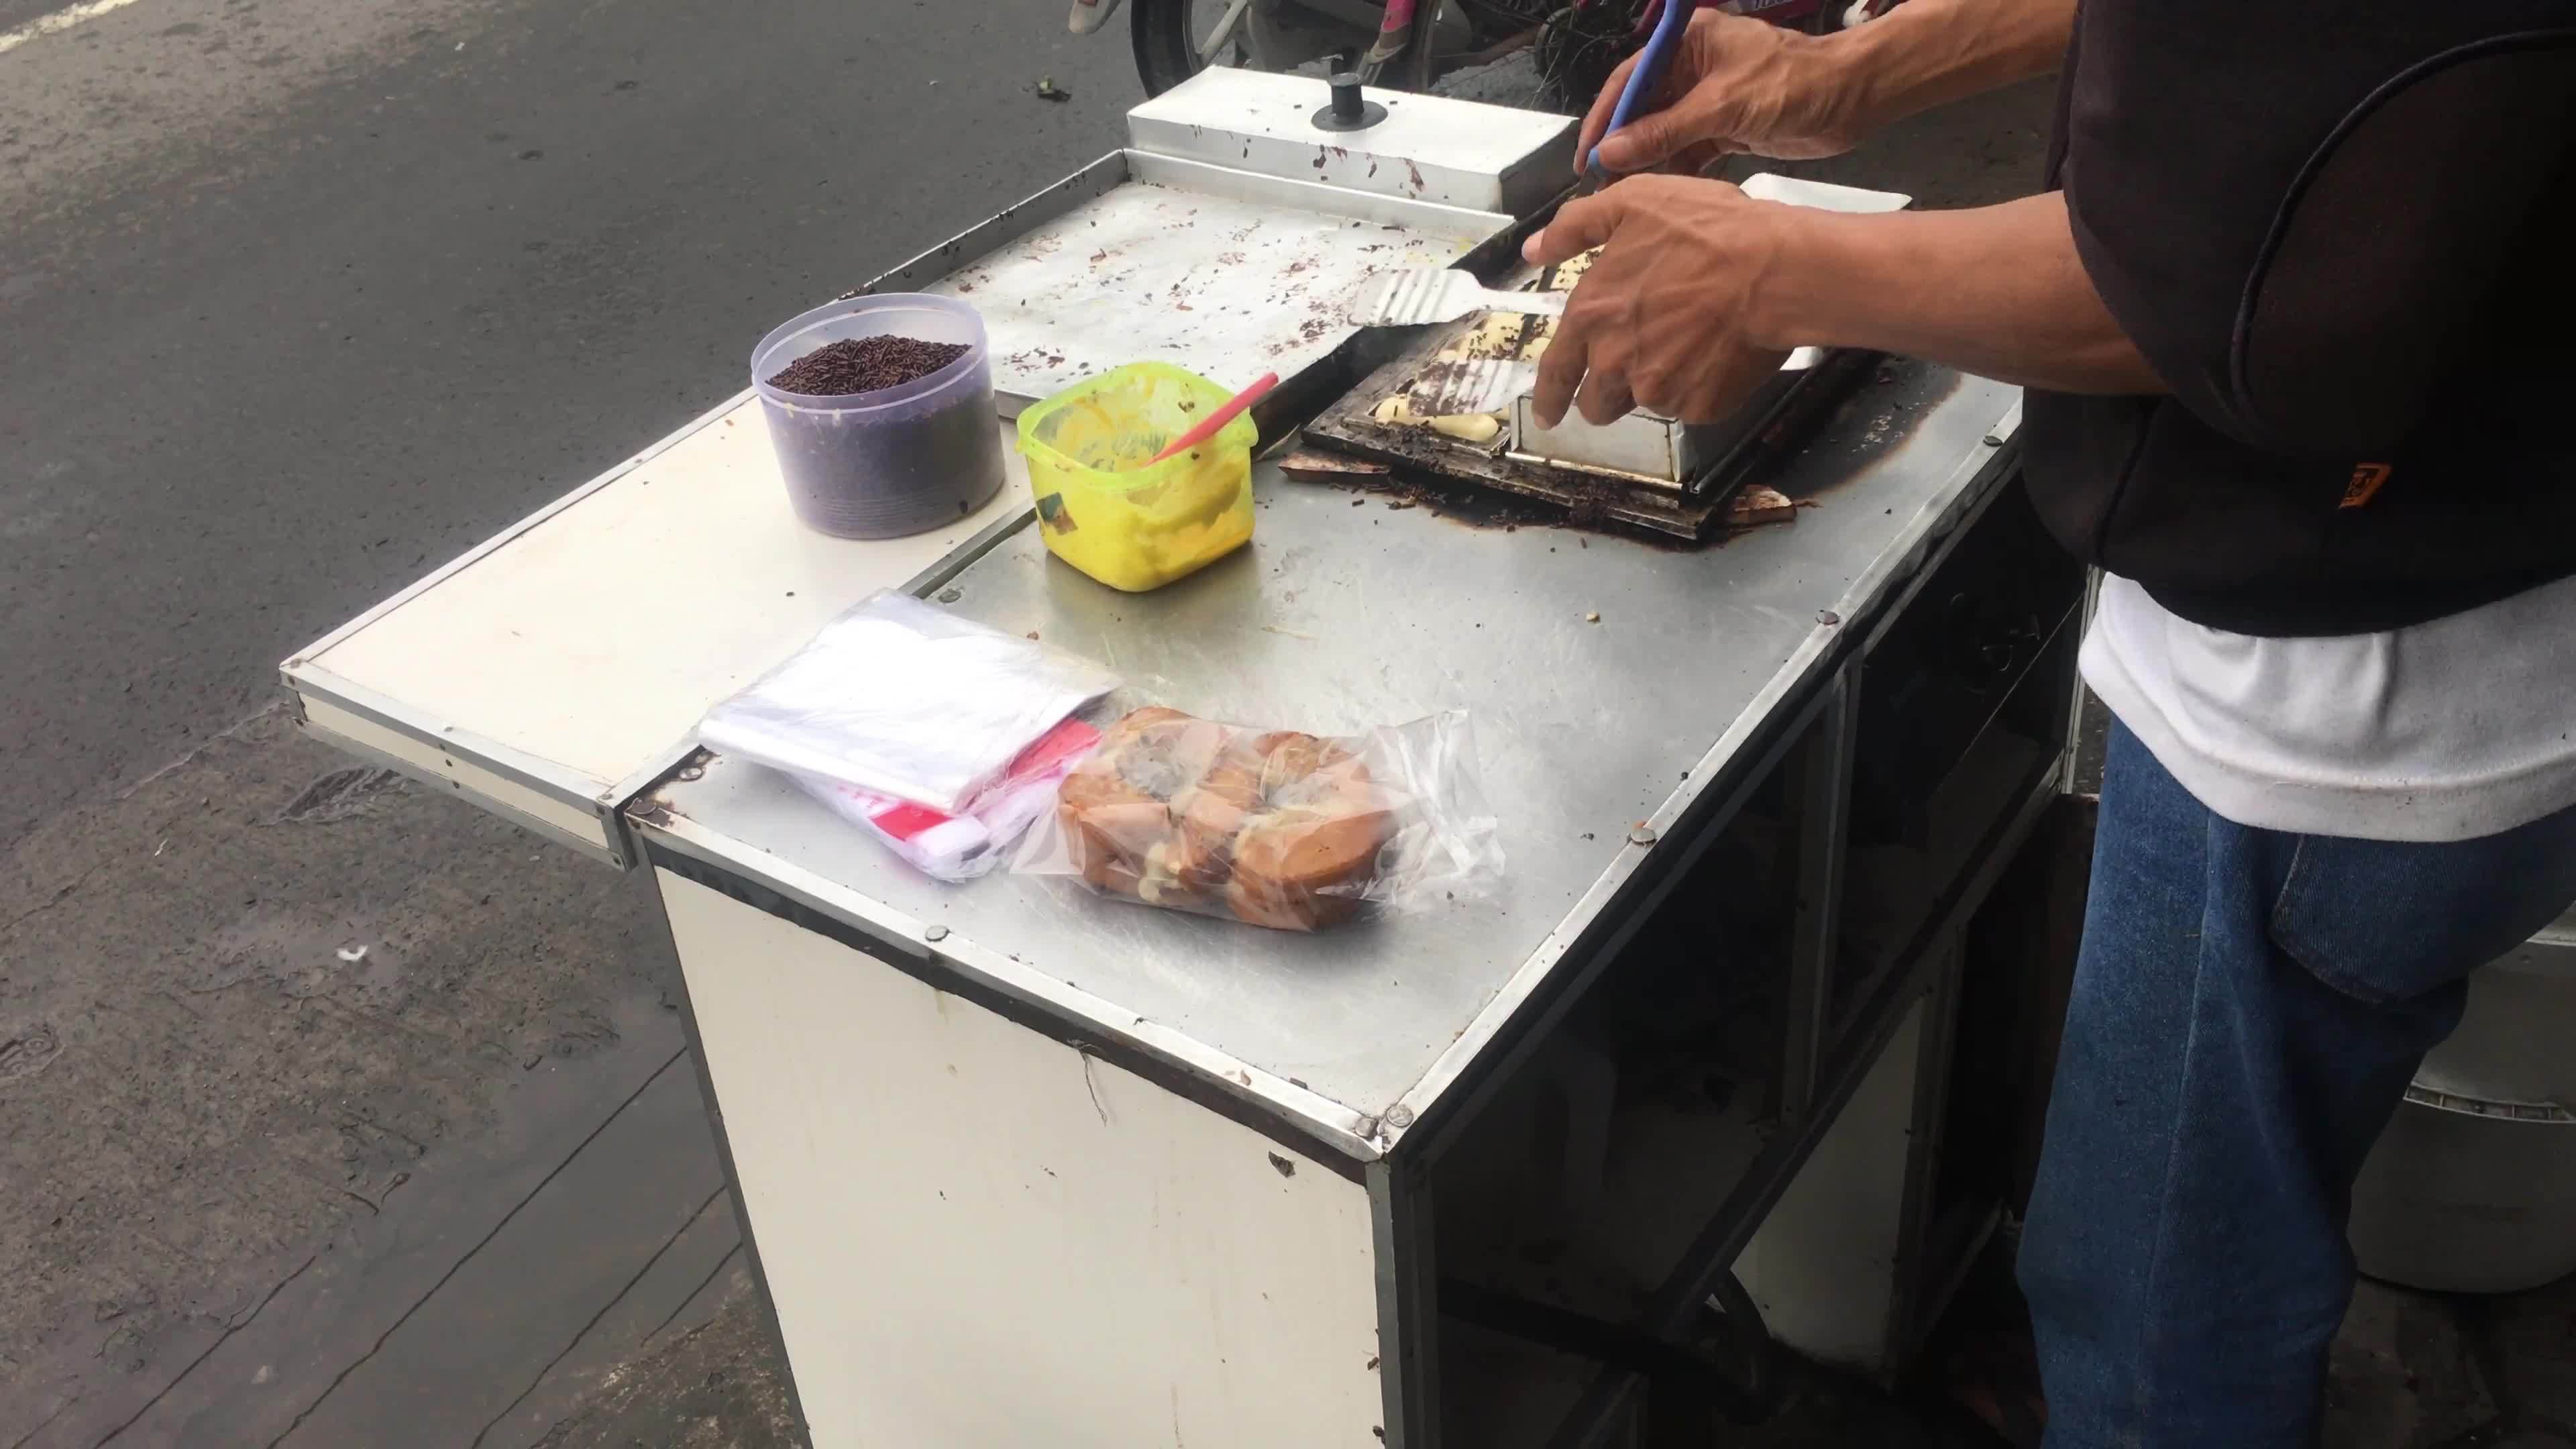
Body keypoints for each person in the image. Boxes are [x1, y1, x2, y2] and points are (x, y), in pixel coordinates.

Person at [1529, 1, 2576, 1444]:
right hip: (2456, 610)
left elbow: (2241, 285)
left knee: (2159, 1303)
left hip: (2345, 709)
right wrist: (1858, 68)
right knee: (2210, 1226)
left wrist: (1770, 270)